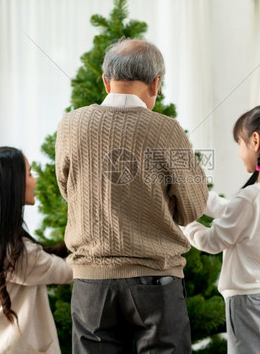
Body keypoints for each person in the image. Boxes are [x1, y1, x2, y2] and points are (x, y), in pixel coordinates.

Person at [55, 38, 208, 353]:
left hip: (91, 285)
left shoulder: (71, 125)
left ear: (106, 80)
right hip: (156, 286)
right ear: (156, 84)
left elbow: (67, 190)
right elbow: (192, 207)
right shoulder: (167, 130)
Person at [182, 104, 260, 354]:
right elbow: (237, 213)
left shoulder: (252, 196)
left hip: (250, 304)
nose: (238, 151)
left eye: (239, 143)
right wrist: (196, 195)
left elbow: (212, 241)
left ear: (255, 140)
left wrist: (183, 222)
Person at [0, 147, 73, 354]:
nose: (35, 181)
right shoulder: (20, 254)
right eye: (29, 174)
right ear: (13, 185)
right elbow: (71, 272)